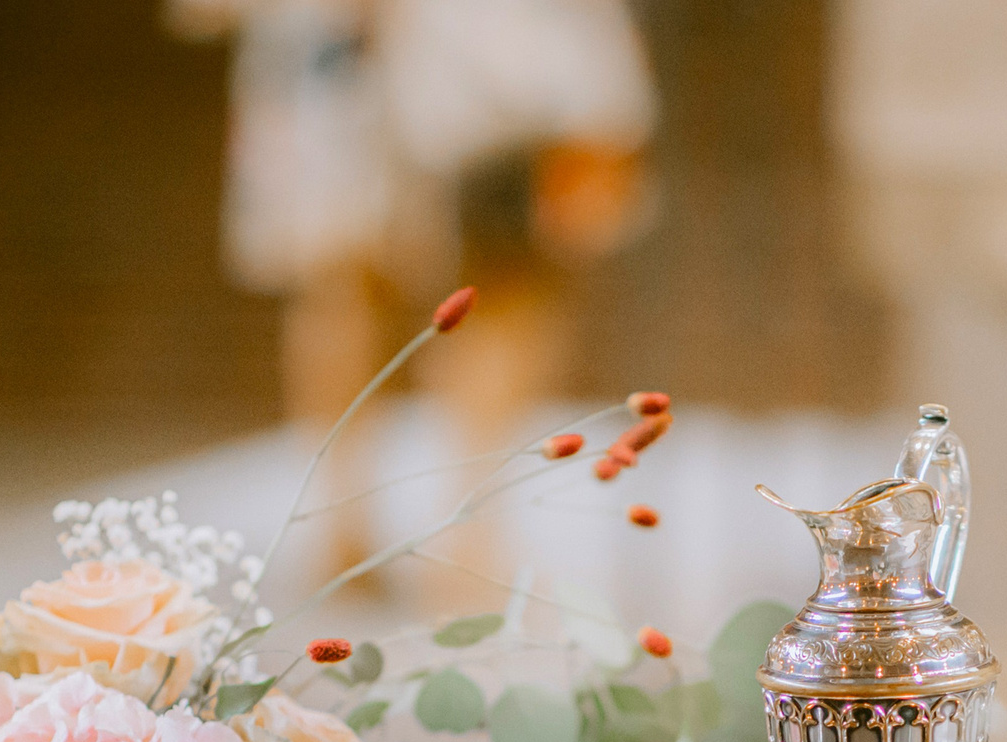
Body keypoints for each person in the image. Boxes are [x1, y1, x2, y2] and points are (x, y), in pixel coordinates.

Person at [166, 0, 657, 598]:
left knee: (462, 273)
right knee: (367, 276)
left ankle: (416, 527)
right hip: (389, 49)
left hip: (463, 53)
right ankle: (387, 527)